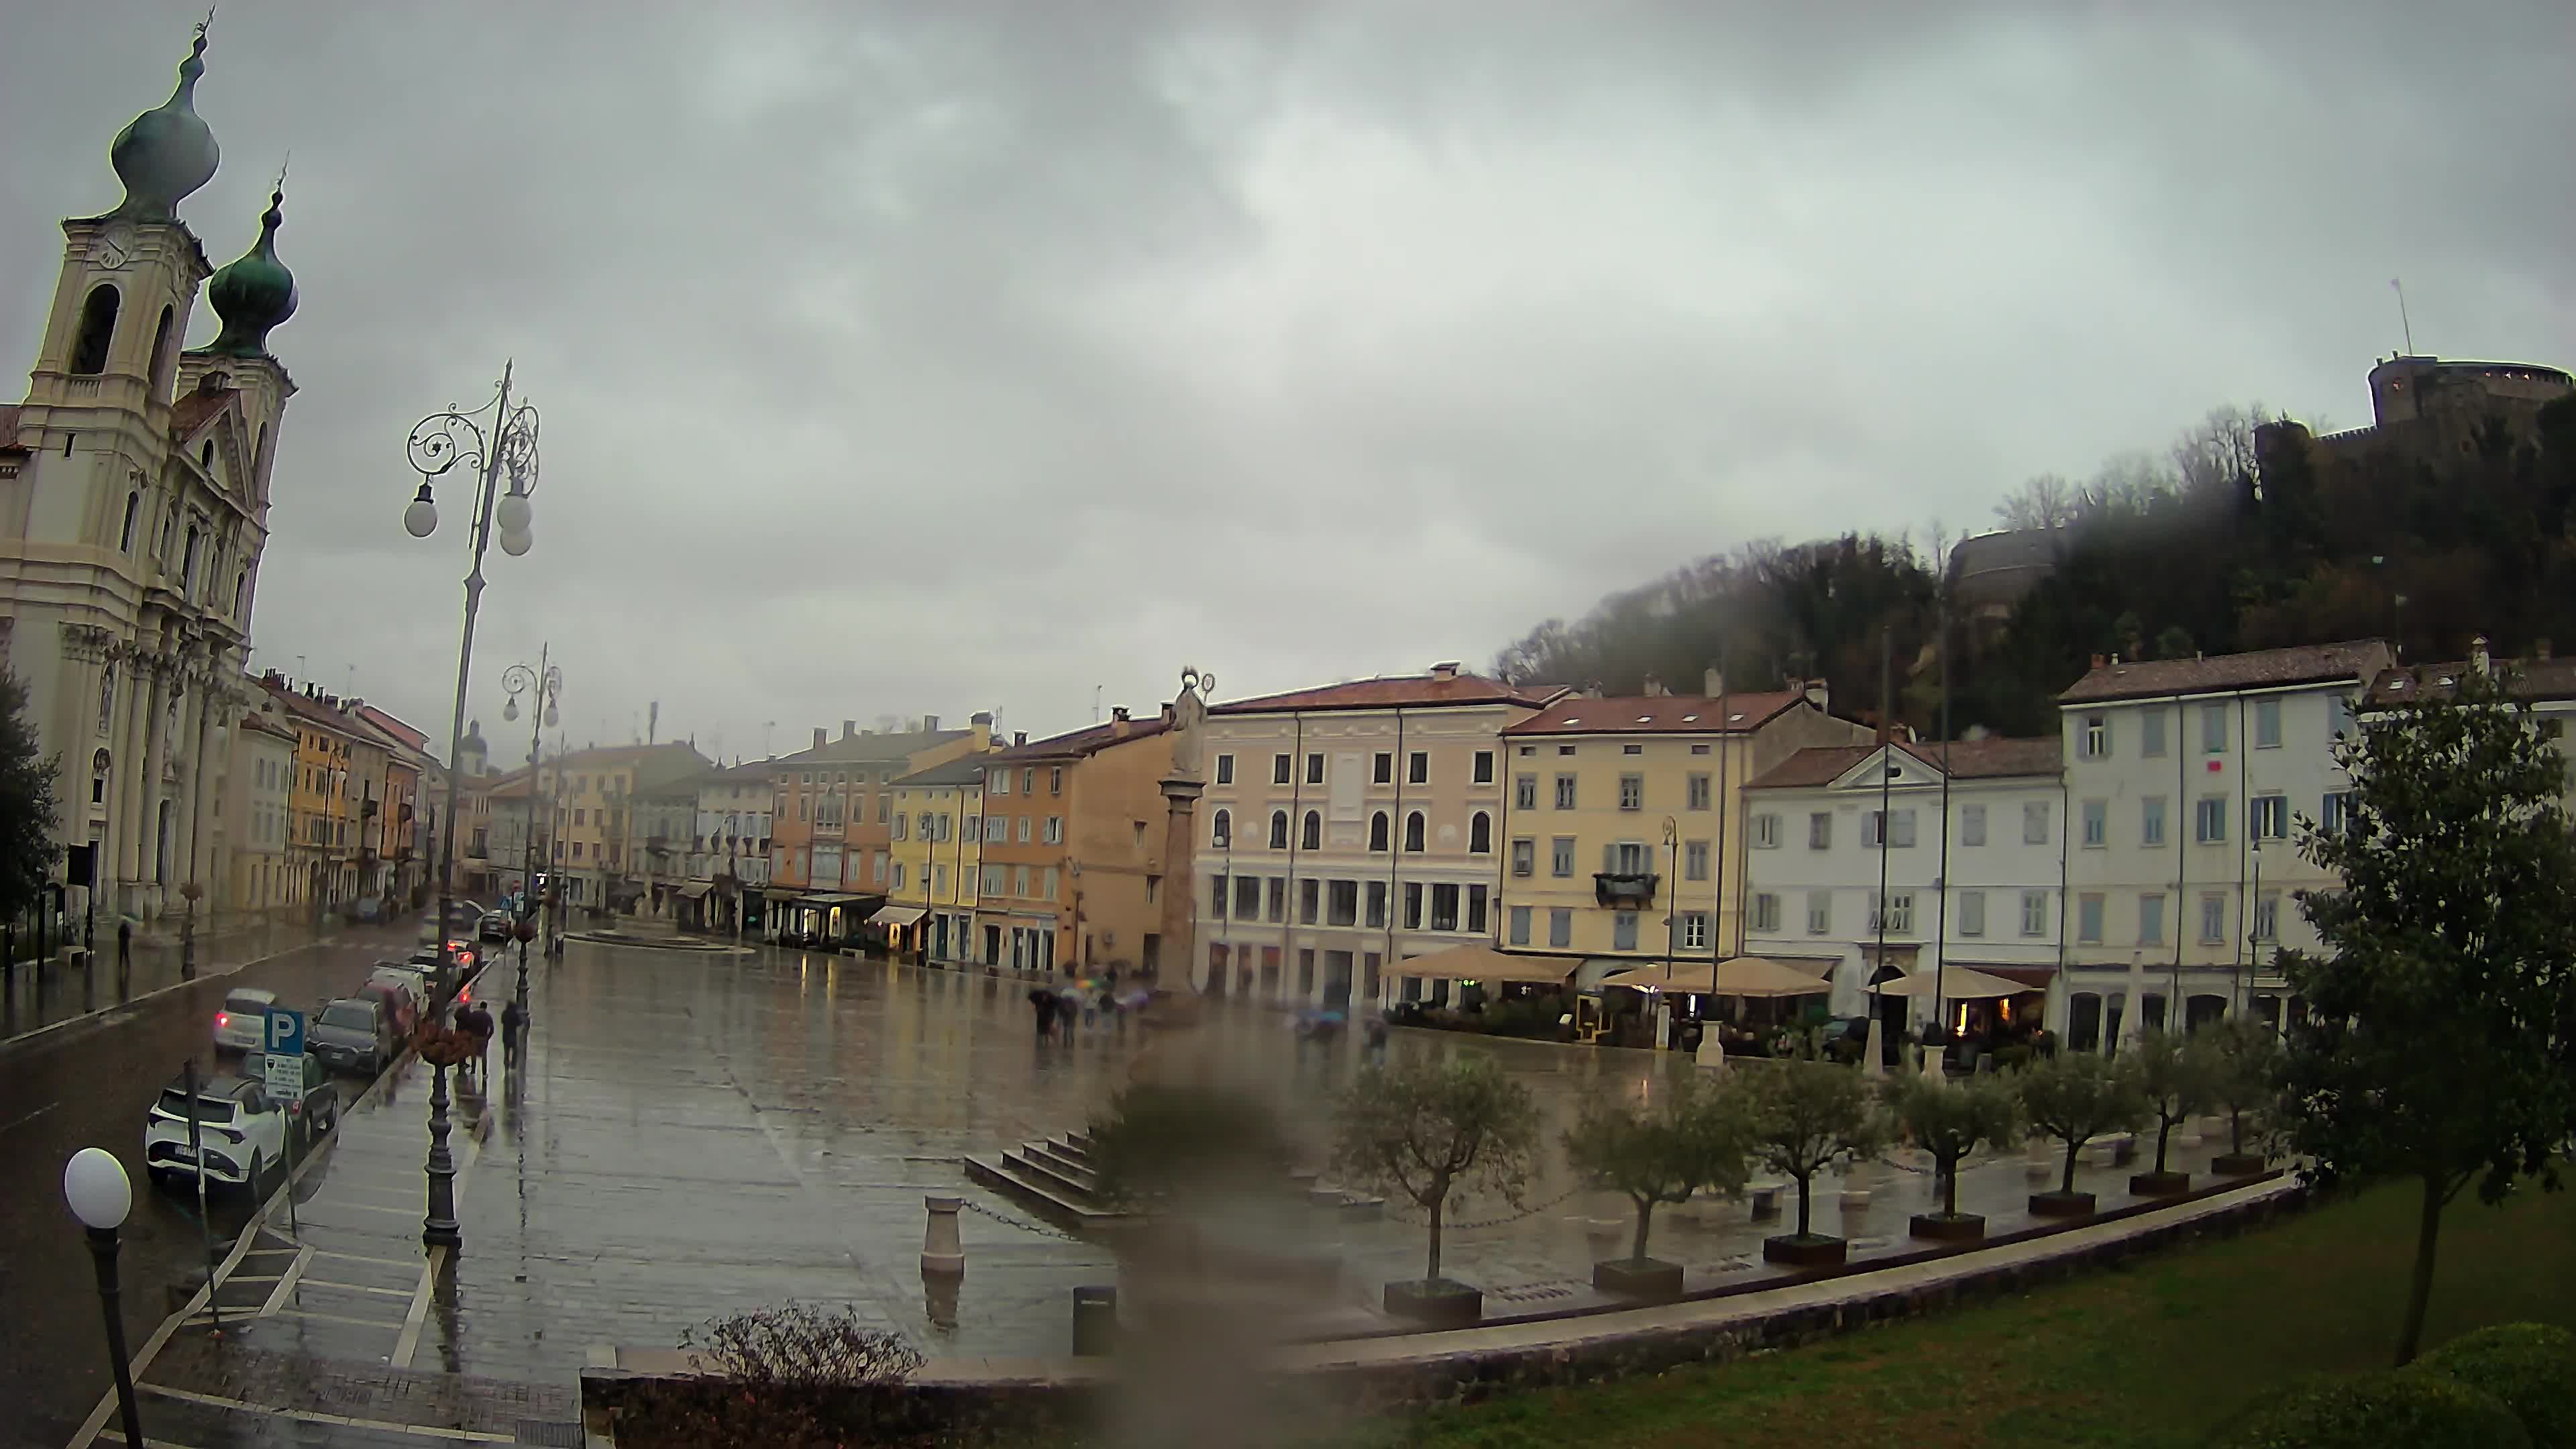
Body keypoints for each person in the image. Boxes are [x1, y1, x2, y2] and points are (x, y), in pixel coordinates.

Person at [500, 998, 528, 1068]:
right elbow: (518, 1023)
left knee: (506, 1051)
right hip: (512, 1035)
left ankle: (506, 1063)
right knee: (515, 1050)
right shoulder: (515, 1014)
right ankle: (513, 1064)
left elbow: (502, 1021)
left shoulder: (505, 1013)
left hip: (505, 1035)